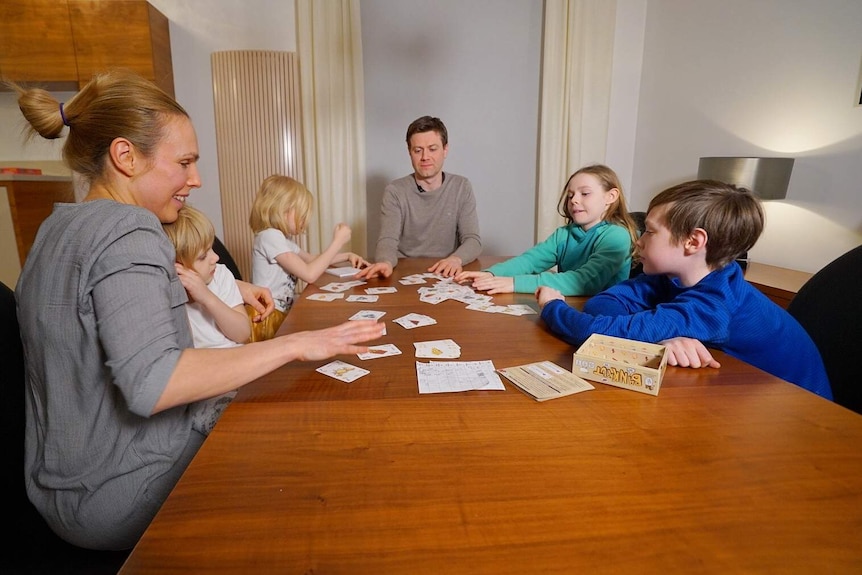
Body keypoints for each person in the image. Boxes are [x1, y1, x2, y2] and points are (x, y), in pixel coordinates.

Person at [9, 70, 384, 551]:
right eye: (184, 162)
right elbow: (154, 382)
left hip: (57, 488)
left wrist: (240, 287)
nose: (196, 179)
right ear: (125, 156)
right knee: (309, 441)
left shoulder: (57, 227)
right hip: (110, 495)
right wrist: (297, 343)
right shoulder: (130, 229)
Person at [536, 179, 832, 400]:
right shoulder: (672, 277)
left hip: (795, 411)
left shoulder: (712, 305)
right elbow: (603, 303)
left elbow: (595, 333)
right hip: (747, 394)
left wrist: (553, 306)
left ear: (693, 242)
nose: (639, 241)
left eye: (650, 231)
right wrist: (661, 334)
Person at [455, 164, 638, 295]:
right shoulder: (564, 234)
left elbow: (584, 282)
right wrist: (491, 274)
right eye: (570, 195)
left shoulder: (617, 236)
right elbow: (531, 260)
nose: (574, 200)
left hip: (602, 316)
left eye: (585, 193)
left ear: (611, 196)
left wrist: (513, 283)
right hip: (569, 306)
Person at [356, 115, 481, 279]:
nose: (425, 157)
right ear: (410, 153)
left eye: (432, 149)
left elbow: (473, 240)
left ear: (445, 150)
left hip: (447, 272)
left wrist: (455, 260)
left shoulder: (461, 186)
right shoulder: (395, 191)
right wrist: (385, 262)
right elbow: (388, 239)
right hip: (404, 272)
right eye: (418, 150)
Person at [163, 204, 249, 435]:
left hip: (242, 370)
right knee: (237, 427)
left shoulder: (220, 275)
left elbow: (242, 333)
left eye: (211, 248)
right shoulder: (167, 296)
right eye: (203, 256)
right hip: (208, 389)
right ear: (178, 268)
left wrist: (207, 298)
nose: (216, 257)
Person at [249, 174, 370, 340]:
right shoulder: (269, 237)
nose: (305, 221)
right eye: (301, 215)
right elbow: (309, 274)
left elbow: (312, 260)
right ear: (282, 210)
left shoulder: (282, 239)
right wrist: (337, 242)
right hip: (267, 317)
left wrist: (346, 255)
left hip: (279, 313)